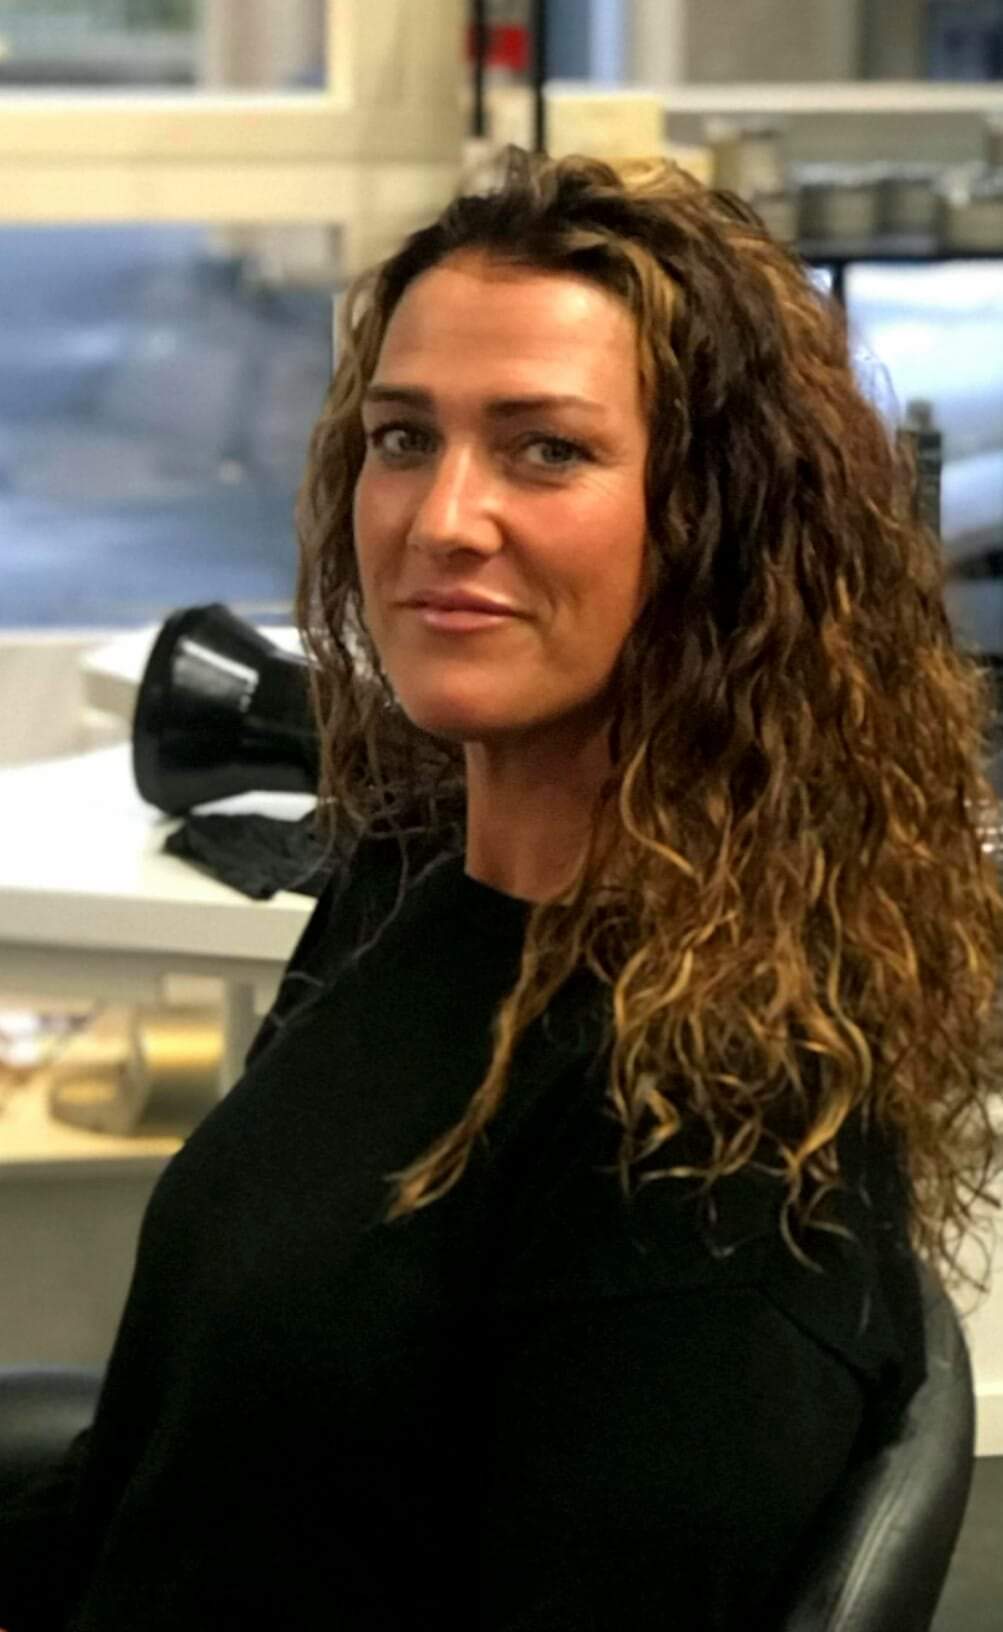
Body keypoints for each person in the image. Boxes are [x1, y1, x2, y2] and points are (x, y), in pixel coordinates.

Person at [2, 147, 1002, 1632]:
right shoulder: (411, 879)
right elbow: (198, 1461)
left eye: (545, 450)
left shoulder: (699, 1145)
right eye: (404, 438)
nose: (441, 518)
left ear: (717, 524)